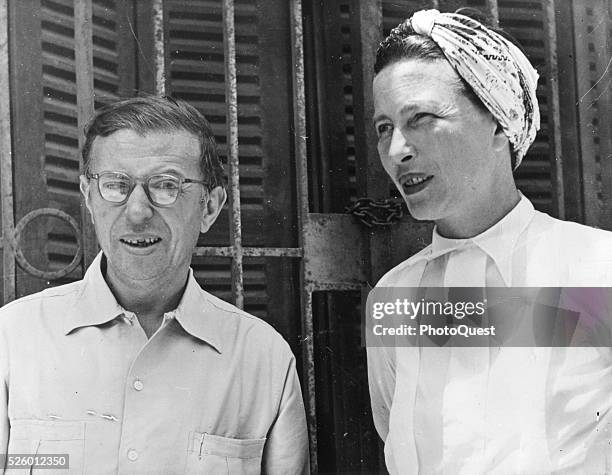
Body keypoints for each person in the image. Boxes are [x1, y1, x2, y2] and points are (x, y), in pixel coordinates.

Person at [0, 96, 309, 474]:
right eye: (115, 184)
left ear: (210, 208)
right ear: (88, 197)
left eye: (165, 185)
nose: (137, 212)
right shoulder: (13, 339)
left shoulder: (263, 359)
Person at [367, 8, 612, 474]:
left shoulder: (599, 268)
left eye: (420, 117)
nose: (397, 150)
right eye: (384, 128)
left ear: (499, 123)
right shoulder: (395, 298)